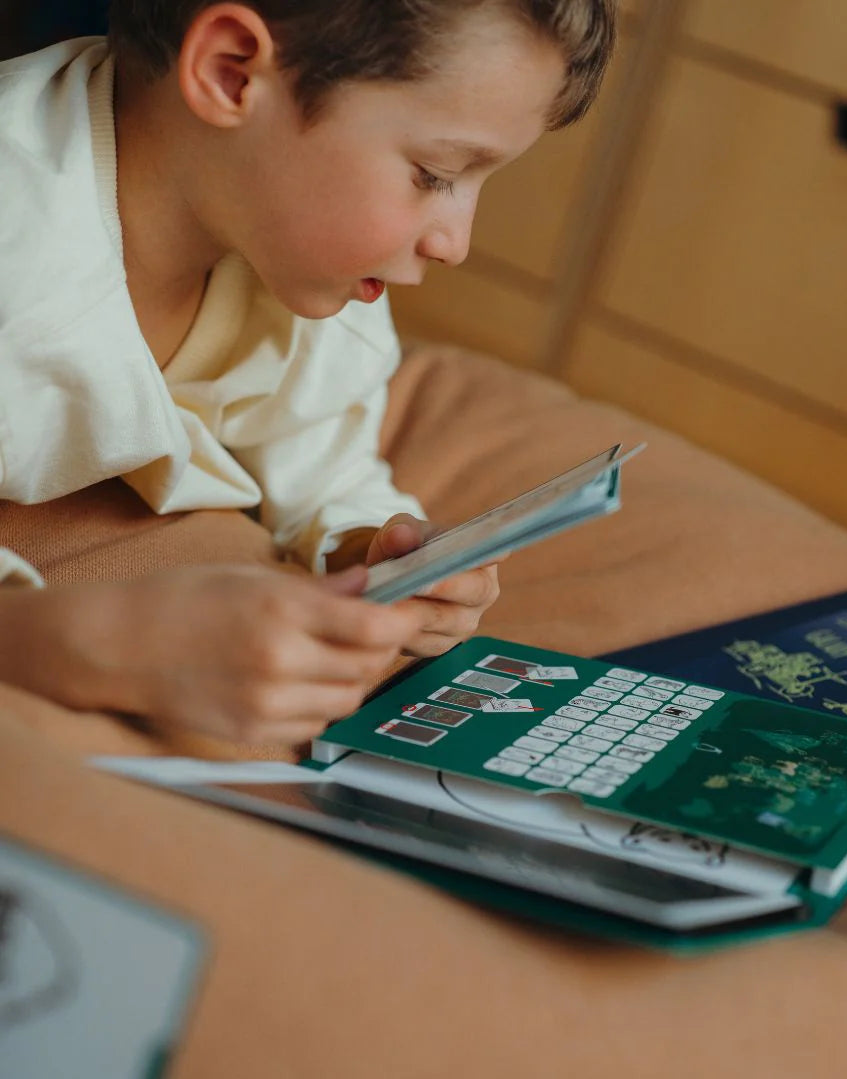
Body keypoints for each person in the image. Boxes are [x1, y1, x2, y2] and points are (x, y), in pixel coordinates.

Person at [0, 1, 616, 744]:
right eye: (434, 173)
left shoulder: (297, 253)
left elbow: (323, 454)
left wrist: (377, 553)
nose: (456, 243)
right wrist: (89, 640)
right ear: (231, 75)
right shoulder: (21, 252)